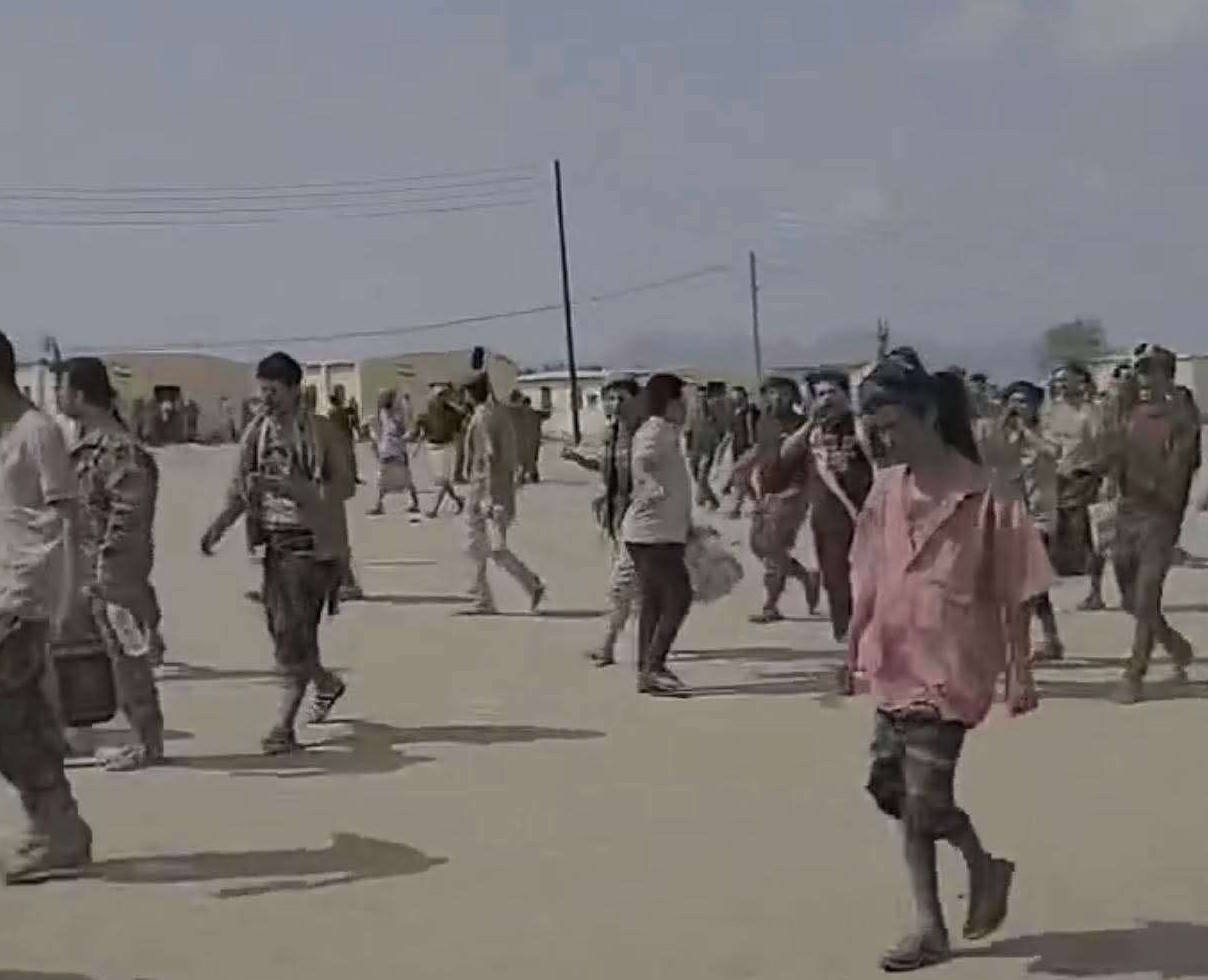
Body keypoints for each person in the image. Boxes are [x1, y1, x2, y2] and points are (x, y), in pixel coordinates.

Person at [843, 351, 1047, 971]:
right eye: (875, 428)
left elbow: (1016, 587)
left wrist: (1020, 670)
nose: (883, 439)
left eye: (892, 424)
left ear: (928, 415)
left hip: (952, 666)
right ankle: (954, 900)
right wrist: (851, 646)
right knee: (892, 792)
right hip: (893, 659)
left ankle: (957, 896)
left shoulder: (987, 495)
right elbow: (867, 574)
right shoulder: (885, 490)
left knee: (926, 799)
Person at [200, 351, 353, 755]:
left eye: (273, 391)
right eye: (262, 391)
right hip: (275, 548)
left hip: (314, 548)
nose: (265, 399)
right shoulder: (258, 434)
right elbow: (241, 488)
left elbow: (345, 486)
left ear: (294, 390)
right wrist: (218, 527)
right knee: (290, 635)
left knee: (293, 636)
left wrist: (295, 489)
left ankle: (283, 727)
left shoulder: (322, 433)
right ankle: (325, 683)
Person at [0, 329, 93, 884]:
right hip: (5, 590)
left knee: (10, 716)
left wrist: (68, 602)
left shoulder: (38, 432)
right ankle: (59, 825)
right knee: (22, 714)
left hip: (23, 596)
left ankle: (55, 827)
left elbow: (67, 519)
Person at [56, 358, 166, 771]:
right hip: (90, 574)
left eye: (61, 389)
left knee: (128, 661)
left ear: (80, 395)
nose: (58, 397)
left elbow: (129, 518)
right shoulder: (86, 447)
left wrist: (111, 578)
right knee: (100, 660)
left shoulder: (120, 451)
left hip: (114, 577)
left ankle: (148, 743)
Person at [1108, 344, 1201, 704]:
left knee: (1147, 595)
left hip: (1161, 514)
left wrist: (1161, 489)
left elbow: (1183, 463)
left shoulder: (1181, 415)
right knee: (1130, 599)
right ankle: (1174, 644)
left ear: (1167, 375)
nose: (1144, 378)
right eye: (1141, 371)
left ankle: (1135, 672)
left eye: (1152, 371)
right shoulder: (1128, 412)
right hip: (1127, 512)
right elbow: (1112, 453)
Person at [780, 370, 874, 642]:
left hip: (865, 512)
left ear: (846, 395)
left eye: (832, 392)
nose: (826, 399)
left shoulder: (860, 425)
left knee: (868, 577)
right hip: (828, 516)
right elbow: (785, 455)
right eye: (820, 394)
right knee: (835, 577)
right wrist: (811, 423)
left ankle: (869, 634)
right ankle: (845, 635)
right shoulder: (813, 431)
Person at [562, 373, 643, 666]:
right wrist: (578, 459)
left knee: (621, 585)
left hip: (642, 520)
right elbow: (606, 468)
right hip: (617, 516)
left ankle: (609, 645)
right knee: (633, 586)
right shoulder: (611, 435)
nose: (616, 404)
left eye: (623, 398)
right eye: (610, 398)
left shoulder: (646, 435)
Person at [980, 381, 1064, 662]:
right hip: (1010, 514)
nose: (1018, 407)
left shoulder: (1045, 430)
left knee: (1031, 582)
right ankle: (1045, 637)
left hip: (1041, 513)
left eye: (1024, 402)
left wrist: (1027, 430)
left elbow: (1053, 452)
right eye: (1013, 401)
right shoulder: (1003, 435)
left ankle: (1031, 641)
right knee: (1023, 582)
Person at [622, 373, 694, 697]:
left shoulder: (666, 431)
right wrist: (649, 483)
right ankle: (654, 666)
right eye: (683, 401)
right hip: (653, 534)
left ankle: (646, 669)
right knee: (679, 596)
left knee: (653, 601)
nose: (686, 407)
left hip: (660, 532)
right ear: (670, 402)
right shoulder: (656, 430)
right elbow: (641, 462)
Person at [732, 376, 821, 623]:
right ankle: (805, 577)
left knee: (772, 549)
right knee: (759, 546)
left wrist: (805, 492)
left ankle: (770, 606)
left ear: (793, 397)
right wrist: (743, 478)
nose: (777, 398)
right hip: (767, 491)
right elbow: (760, 452)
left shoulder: (803, 424)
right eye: (772, 393)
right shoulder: (765, 423)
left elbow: (812, 459)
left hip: (793, 492)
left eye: (783, 393)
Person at [463, 372, 546, 615]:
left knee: (495, 548)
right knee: (474, 546)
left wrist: (488, 495)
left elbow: (490, 456)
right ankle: (482, 598)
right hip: (489, 489)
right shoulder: (497, 413)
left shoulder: (485, 416)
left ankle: (532, 584)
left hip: (490, 491)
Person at [1042, 364, 1105, 603]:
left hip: (1083, 477)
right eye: (1058, 380)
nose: (1060, 384)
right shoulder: (1052, 411)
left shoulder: (1091, 412)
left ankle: (1096, 590)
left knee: (1089, 535)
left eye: (1065, 379)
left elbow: (1101, 445)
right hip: (1056, 479)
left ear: (1080, 382)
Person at [412, 383, 467, 518]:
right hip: (431, 447)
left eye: (442, 396)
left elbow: (462, 416)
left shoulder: (450, 411)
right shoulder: (429, 410)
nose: (438, 399)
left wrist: (453, 405)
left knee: (443, 480)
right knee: (442, 480)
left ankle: (435, 510)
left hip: (445, 447)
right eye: (438, 396)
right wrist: (416, 445)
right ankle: (458, 501)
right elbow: (420, 428)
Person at [368, 389, 421, 515]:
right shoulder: (384, 413)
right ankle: (379, 505)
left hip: (396, 449)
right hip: (387, 449)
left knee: (404, 477)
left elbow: (407, 429)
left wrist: (405, 436)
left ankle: (414, 502)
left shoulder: (398, 415)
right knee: (384, 477)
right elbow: (382, 429)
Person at [719, 385, 760, 518]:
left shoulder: (751, 411)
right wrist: (721, 449)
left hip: (749, 449)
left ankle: (736, 509)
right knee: (744, 481)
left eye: (738, 396)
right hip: (737, 449)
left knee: (738, 475)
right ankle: (758, 506)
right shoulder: (735, 413)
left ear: (744, 397)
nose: (735, 399)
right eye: (733, 397)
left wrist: (754, 446)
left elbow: (754, 430)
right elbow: (730, 434)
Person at [684, 382, 725, 509]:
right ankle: (706, 496)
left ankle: (707, 498)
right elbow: (688, 425)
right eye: (698, 394)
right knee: (695, 471)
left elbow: (721, 426)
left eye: (703, 394)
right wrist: (688, 444)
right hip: (695, 442)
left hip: (709, 443)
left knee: (703, 473)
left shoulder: (714, 406)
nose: (700, 397)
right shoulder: (692, 407)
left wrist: (718, 440)